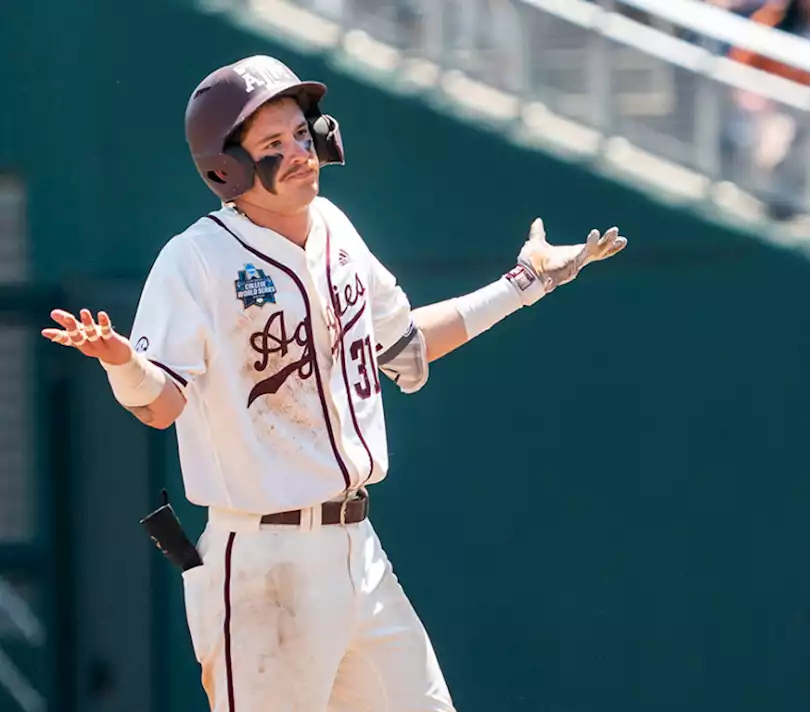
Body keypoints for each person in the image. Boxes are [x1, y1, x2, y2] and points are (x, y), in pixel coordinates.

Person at [39, 55, 627, 711]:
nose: (298, 151)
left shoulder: (336, 230)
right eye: (272, 144)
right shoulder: (196, 259)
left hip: (358, 549)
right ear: (224, 168)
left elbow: (403, 343)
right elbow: (160, 404)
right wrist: (122, 360)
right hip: (264, 562)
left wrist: (525, 284)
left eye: (300, 132)